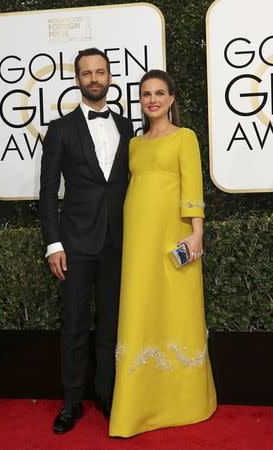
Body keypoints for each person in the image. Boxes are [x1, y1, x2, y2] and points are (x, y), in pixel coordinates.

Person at [109, 69, 217, 437]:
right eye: (145, 94)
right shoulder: (135, 144)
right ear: (140, 101)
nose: (152, 99)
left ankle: (185, 401)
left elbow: (192, 185)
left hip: (174, 237)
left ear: (172, 99)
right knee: (140, 305)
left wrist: (196, 233)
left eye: (159, 93)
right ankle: (139, 403)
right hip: (137, 240)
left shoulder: (185, 137)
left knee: (177, 306)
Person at [39, 47, 134, 434]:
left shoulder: (128, 127)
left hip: (119, 243)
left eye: (100, 72)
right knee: (76, 325)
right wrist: (53, 244)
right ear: (77, 80)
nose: (94, 78)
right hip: (75, 244)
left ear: (110, 77)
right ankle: (72, 401)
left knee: (111, 324)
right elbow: (47, 193)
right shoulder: (60, 130)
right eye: (86, 73)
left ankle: (107, 394)